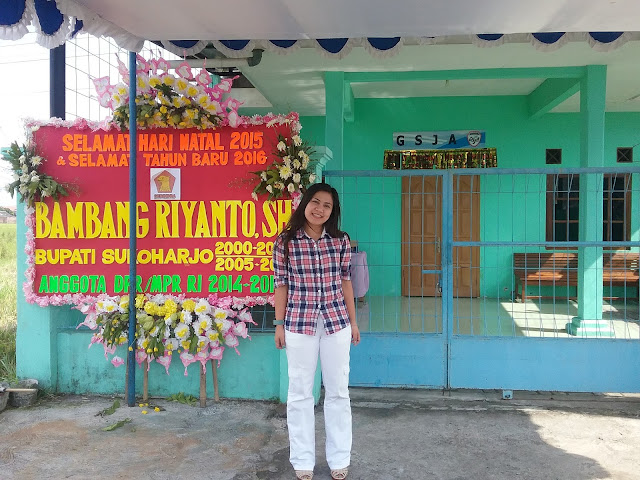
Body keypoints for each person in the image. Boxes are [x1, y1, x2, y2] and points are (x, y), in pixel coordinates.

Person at [272, 182, 360, 480]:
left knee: (338, 391)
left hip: (336, 323)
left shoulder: (340, 241)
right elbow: (281, 285)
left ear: (333, 212)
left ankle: (339, 458)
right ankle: (302, 461)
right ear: (305, 203)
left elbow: (346, 282)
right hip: (299, 323)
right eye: (316, 202)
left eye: (327, 206)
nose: (320, 209)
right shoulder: (286, 242)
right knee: (300, 393)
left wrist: (353, 322)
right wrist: (279, 325)